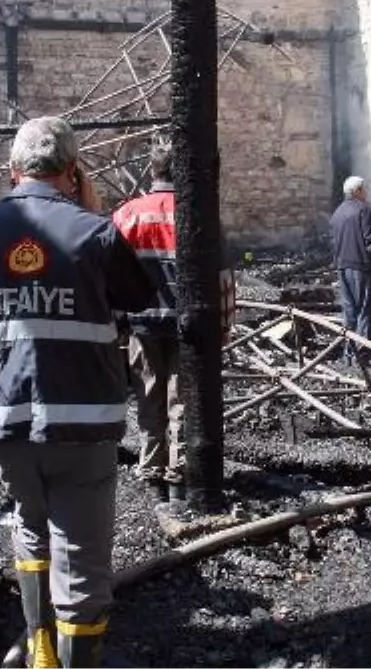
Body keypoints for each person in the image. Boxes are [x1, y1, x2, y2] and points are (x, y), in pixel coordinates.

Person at [0, 117, 153, 667]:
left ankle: (41, 651)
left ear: (11, 172)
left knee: (30, 521)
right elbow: (139, 295)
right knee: (81, 553)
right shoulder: (94, 233)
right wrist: (91, 210)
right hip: (82, 424)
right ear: (72, 172)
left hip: (4, 422)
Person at [112, 143, 236, 506]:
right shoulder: (200, 215)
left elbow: (110, 277)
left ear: (152, 171)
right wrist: (223, 327)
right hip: (190, 327)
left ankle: (151, 472)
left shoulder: (126, 216)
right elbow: (223, 278)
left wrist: (118, 322)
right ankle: (178, 475)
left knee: (148, 396)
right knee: (182, 400)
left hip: (142, 324)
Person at [329, 176, 371, 364]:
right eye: (365, 188)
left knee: (349, 310)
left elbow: (334, 242)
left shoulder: (337, 213)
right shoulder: (364, 210)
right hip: (361, 267)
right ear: (358, 190)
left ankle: (349, 352)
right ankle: (362, 353)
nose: (367, 192)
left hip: (343, 266)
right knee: (364, 309)